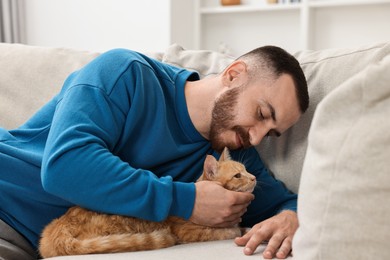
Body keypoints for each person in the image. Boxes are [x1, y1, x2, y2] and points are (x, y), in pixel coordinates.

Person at [0, 45, 308, 259]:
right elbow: (64, 167)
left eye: (271, 133)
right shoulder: (126, 73)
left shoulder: (232, 152)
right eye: (260, 113)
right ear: (233, 75)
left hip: (75, 245)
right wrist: (185, 200)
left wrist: (291, 218)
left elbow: (282, 202)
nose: (256, 137)